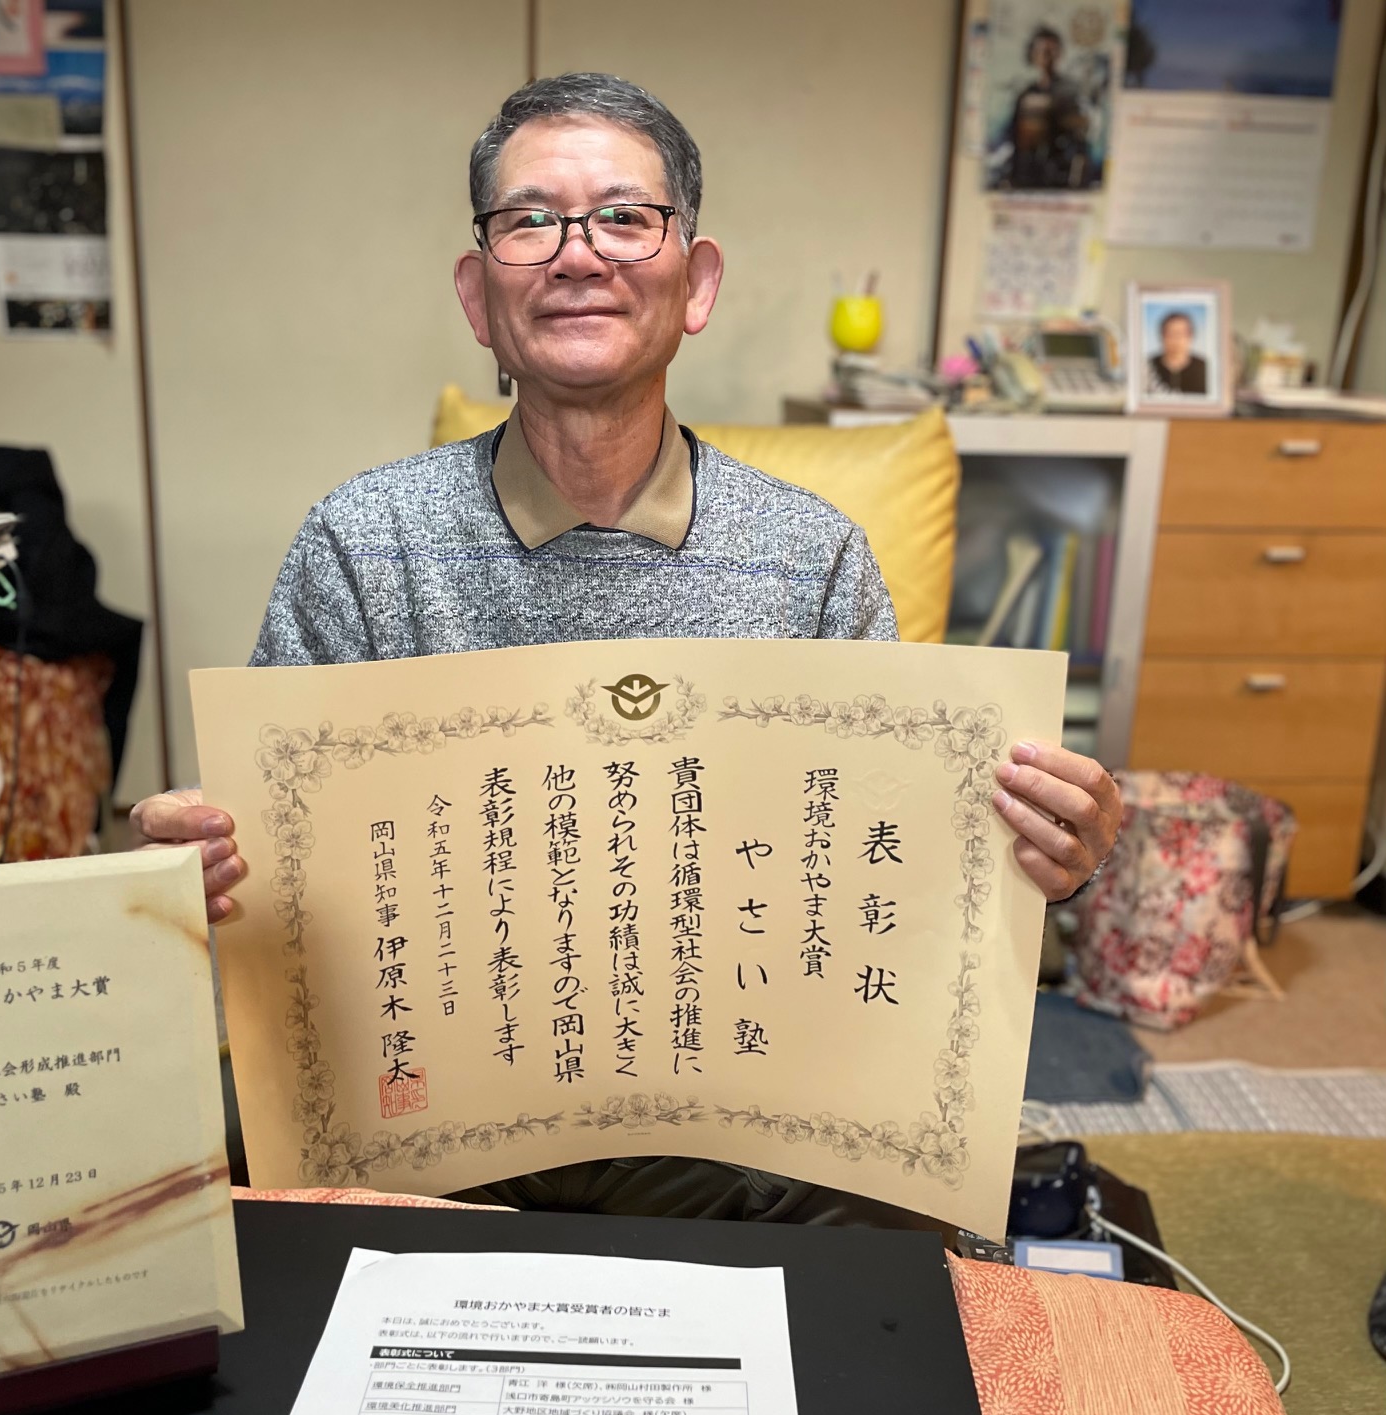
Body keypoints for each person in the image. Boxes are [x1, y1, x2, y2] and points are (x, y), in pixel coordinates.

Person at [133, 73, 1122, 1225]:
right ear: (477, 294)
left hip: (734, 1119)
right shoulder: (362, 544)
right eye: (529, 221)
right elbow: (275, 877)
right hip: (432, 1108)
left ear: (695, 283)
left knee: (898, 1223)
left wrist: (1043, 851)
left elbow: (880, 888)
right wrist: (197, 864)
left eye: (623, 217)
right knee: (226, 1182)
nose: (577, 254)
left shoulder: (812, 558)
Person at [999, 25, 1096, 191]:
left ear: (1059, 54)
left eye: (1052, 50)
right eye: (1042, 50)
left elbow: (1081, 141)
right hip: (1027, 175)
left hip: (1058, 177)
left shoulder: (1071, 93)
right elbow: (1013, 136)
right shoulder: (1026, 94)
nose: (1046, 55)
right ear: (1033, 54)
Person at [1148, 310, 1209, 396]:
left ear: (1190, 336)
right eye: (1171, 334)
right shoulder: (1148, 366)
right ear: (1162, 336)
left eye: (1180, 333)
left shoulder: (1204, 368)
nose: (1176, 339)